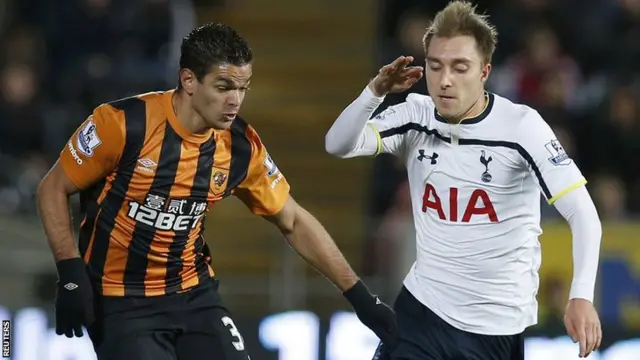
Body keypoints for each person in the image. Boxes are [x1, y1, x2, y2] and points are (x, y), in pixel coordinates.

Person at [36, 23, 396, 360]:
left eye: (243, 88)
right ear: (189, 81)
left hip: (194, 295)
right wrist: (69, 271)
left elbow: (294, 221)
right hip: (119, 301)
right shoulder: (123, 124)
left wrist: (360, 297)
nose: (235, 101)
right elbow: (52, 189)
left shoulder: (239, 147)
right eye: (224, 87)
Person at [324, 1, 603, 359]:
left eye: (460, 67)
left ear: (484, 71)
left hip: (495, 329)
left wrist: (580, 295)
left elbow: (583, 213)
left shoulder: (521, 127)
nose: (444, 80)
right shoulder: (416, 114)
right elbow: (337, 144)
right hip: (421, 312)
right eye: (435, 66)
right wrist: (374, 92)